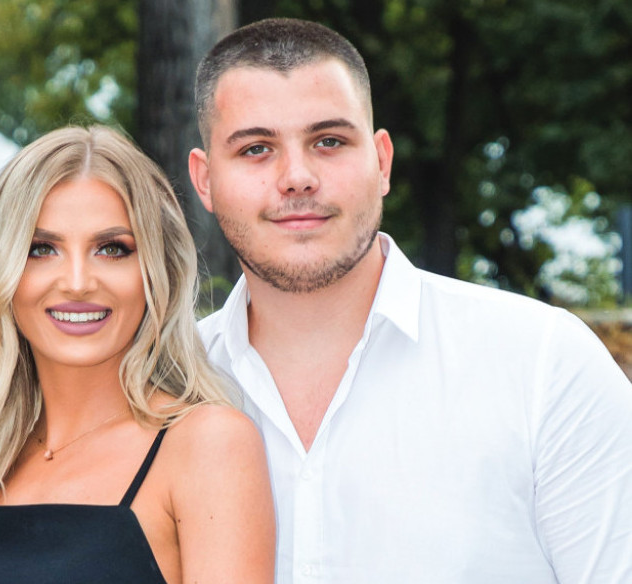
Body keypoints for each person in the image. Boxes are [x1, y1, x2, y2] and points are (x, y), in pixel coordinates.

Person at [189, 17, 632, 584]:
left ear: (382, 162)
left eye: (329, 141)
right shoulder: (163, 387)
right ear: (205, 180)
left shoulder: (544, 365)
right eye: (256, 148)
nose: (297, 177)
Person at [0, 125, 275, 584]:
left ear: (156, 271)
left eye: (111, 249)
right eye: (42, 249)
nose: (78, 282)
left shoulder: (207, 444)